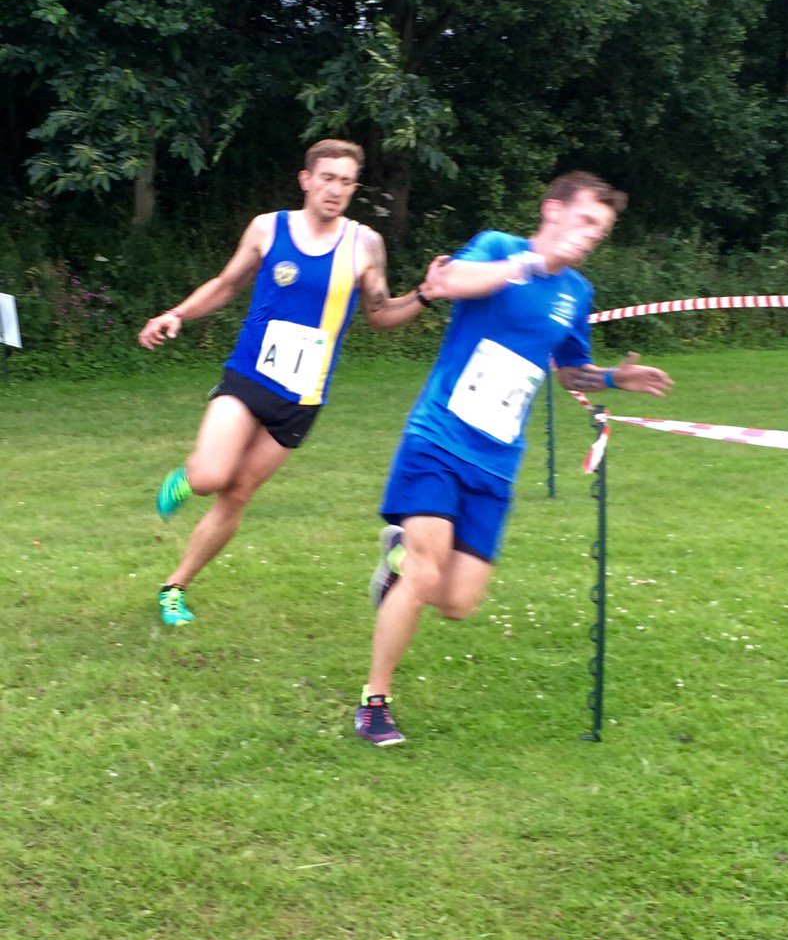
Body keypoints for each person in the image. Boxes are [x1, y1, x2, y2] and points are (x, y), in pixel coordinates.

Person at [354, 170, 673, 746]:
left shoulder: (577, 294)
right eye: (584, 221)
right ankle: (375, 702)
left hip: (497, 461)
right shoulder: (501, 249)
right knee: (427, 576)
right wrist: (530, 263)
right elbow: (451, 280)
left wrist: (614, 378)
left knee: (458, 603)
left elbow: (569, 368)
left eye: (599, 232)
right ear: (553, 209)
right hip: (439, 438)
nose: (589, 237)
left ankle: (397, 558)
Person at [138, 138, 438, 627]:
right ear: (306, 179)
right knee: (213, 477)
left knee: (238, 494)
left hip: (303, 396)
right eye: (327, 178)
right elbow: (227, 284)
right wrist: (177, 314)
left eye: (346, 181)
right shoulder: (268, 228)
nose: (335, 189)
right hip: (250, 376)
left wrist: (425, 294)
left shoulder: (365, 244)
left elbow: (380, 314)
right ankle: (188, 476)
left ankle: (175, 586)